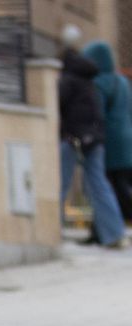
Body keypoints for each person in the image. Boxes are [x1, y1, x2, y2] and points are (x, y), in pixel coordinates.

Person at [57, 27, 127, 248]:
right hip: (97, 138)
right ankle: (113, 234)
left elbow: (57, 106)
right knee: (99, 184)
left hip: (75, 137)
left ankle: (50, 232)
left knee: (60, 183)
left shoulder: (70, 80)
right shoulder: (95, 79)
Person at [83, 40, 132, 225]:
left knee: (105, 185)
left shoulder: (99, 83)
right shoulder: (122, 82)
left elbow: (98, 112)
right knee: (121, 183)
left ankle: (110, 225)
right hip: (128, 139)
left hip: (111, 142)